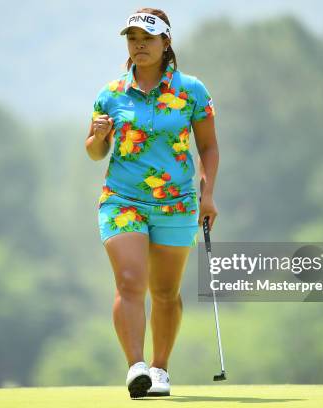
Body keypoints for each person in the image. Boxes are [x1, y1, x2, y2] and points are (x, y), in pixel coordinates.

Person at [85, 7, 219, 399]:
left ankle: (160, 369)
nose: (139, 45)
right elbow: (94, 153)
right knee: (129, 281)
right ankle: (136, 367)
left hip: (176, 203)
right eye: (132, 39)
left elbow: (209, 147)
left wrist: (207, 195)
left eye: (147, 38)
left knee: (164, 292)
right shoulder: (110, 95)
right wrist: (98, 137)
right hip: (122, 199)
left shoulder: (191, 91)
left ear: (166, 42)